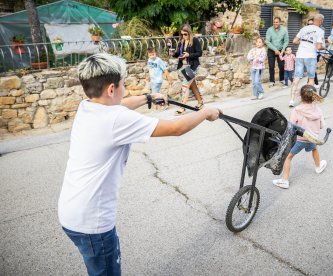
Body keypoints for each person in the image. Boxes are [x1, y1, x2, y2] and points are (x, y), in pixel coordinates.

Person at [58, 53, 221, 276]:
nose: (125, 89)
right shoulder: (115, 120)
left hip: (71, 213)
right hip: (93, 223)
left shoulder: (87, 106)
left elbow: (120, 104)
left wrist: (147, 98)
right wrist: (206, 112)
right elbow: (176, 128)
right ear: (111, 89)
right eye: (123, 84)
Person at [272, 85, 327, 189]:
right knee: (314, 149)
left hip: (299, 140)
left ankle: (284, 180)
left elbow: (291, 126)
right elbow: (322, 125)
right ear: (314, 96)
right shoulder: (318, 110)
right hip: (312, 138)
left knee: (288, 157)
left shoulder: (297, 110)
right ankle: (318, 166)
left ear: (301, 97)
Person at [289, 13, 325, 107]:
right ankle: (308, 100)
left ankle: (292, 100)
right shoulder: (320, 31)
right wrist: (323, 48)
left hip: (300, 55)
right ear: (321, 21)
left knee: (296, 78)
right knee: (311, 78)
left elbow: (294, 41)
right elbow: (318, 46)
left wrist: (303, 42)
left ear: (313, 20)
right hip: (310, 56)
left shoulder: (304, 28)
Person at [173, 24, 204, 115]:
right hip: (185, 67)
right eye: (182, 34)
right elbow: (178, 53)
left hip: (192, 67)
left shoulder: (194, 40)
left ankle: (182, 107)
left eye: (185, 34)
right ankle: (200, 102)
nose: (184, 36)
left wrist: (189, 55)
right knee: (192, 85)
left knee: (185, 86)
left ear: (189, 33)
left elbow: (199, 53)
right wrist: (173, 53)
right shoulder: (181, 42)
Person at [265, 16, 289, 87]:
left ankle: (281, 79)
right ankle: (272, 81)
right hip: (271, 50)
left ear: (280, 23)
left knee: (281, 66)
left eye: (277, 22)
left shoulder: (284, 30)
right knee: (271, 66)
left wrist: (282, 50)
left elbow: (286, 41)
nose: (275, 23)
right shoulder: (269, 30)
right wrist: (275, 49)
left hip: (281, 50)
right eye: (274, 22)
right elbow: (267, 41)